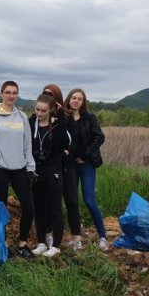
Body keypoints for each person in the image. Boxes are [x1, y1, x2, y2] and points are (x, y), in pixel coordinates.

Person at [0, 80, 36, 258]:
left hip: (19, 168)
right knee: (1, 208)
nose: (11, 96)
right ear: (1, 94)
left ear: (17, 94)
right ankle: (3, 243)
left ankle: (22, 244)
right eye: (8, 92)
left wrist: (30, 168)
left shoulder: (21, 117)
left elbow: (27, 145)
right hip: (0, 169)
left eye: (14, 92)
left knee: (29, 207)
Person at [64, 87, 109, 251]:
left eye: (79, 99)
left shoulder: (90, 118)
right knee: (72, 201)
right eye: (73, 98)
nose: (76, 101)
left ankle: (103, 236)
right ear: (69, 99)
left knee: (89, 200)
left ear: (83, 102)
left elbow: (100, 137)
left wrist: (85, 155)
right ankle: (77, 236)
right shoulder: (65, 118)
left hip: (87, 164)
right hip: (71, 165)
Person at [41, 83, 83, 250]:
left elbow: (74, 140)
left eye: (51, 94)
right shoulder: (40, 114)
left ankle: (76, 236)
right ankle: (49, 234)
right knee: (51, 201)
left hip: (66, 166)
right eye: (45, 94)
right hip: (49, 167)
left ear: (57, 97)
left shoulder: (65, 116)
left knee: (72, 201)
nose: (48, 97)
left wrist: (66, 152)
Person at [28, 93, 70, 258]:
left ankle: (56, 245)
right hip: (36, 171)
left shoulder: (58, 125)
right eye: (37, 109)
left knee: (55, 209)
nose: (39, 113)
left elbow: (64, 143)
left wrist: (60, 115)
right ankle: (41, 242)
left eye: (43, 111)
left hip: (53, 172)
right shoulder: (32, 123)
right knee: (39, 209)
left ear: (51, 110)